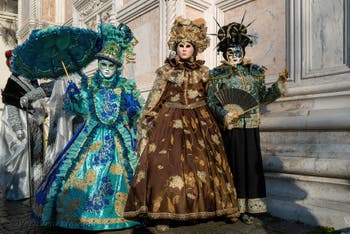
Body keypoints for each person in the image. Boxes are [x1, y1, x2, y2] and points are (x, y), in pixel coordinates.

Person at [124, 17, 240, 232]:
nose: (184, 49)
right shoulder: (166, 71)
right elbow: (155, 98)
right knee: (165, 164)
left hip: (201, 121)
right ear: (175, 47)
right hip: (170, 121)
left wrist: (224, 115)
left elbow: (212, 98)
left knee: (207, 164)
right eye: (181, 45)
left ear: (195, 48)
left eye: (188, 46)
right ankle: (162, 214)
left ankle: (220, 208)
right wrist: (147, 119)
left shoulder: (204, 73)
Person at [32, 23, 142, 231]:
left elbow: (133, 109)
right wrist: (74, 95)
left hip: (118, 137)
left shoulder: (124, 86)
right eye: (103, 65)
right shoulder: (90, 86)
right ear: (98, 65)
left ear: (117, 67)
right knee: (80, 169)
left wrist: (135, 112)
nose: (107, 70)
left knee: (124, 172)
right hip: (91, 135)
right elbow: (79, 107)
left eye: (111, 66)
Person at [207, 20, 288, 224]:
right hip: (231, 127)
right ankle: (233, 207)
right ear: (224, 54)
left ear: (243, 51)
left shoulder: (255, 72)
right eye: (230, 53)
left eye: (237, 52)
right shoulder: (217, 75)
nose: (234, 56)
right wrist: (224, 115)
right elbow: (210, 100)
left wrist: (280, 84)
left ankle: (251, 208)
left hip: (250, 126)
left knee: (251, 166)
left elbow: (264, 96)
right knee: (233, 166)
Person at [0, 49, 52, 200]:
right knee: (23, 155)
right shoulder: (12, 83)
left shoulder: (34, 82)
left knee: (37, 157)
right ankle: (21, 190)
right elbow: (11, 107)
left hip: (36, 123)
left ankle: (37, 185)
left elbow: (41, 97)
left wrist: (41, 108)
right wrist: (17, 128)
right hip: (22, 124)